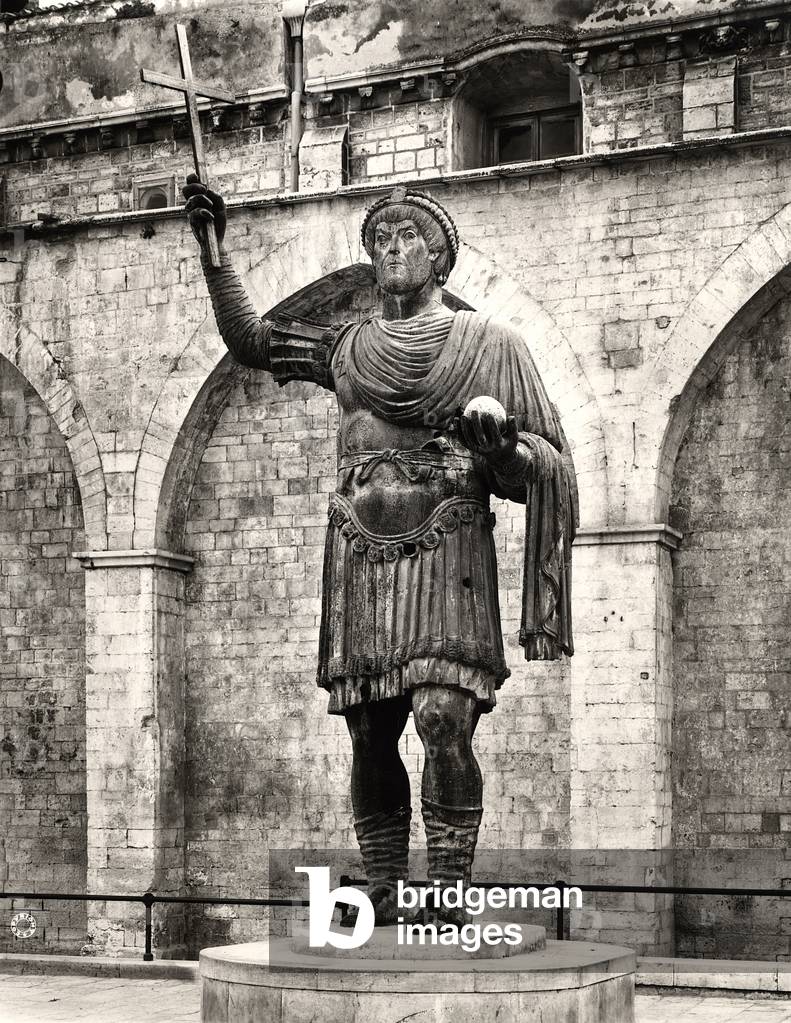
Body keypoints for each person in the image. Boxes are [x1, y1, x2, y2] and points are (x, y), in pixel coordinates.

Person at [183, 176, 576, 925]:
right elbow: (254, 341)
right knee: (369, 727)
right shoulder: (347, 346)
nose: (392, 250)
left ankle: (449, 887)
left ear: (439, 259)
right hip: (359, 551)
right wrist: (214, 257)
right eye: (381, 240)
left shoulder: (491, 344)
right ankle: (385, 880)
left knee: (440, 716)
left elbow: (545, 460)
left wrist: (505, 455)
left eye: (408, 239)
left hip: (447, 548)